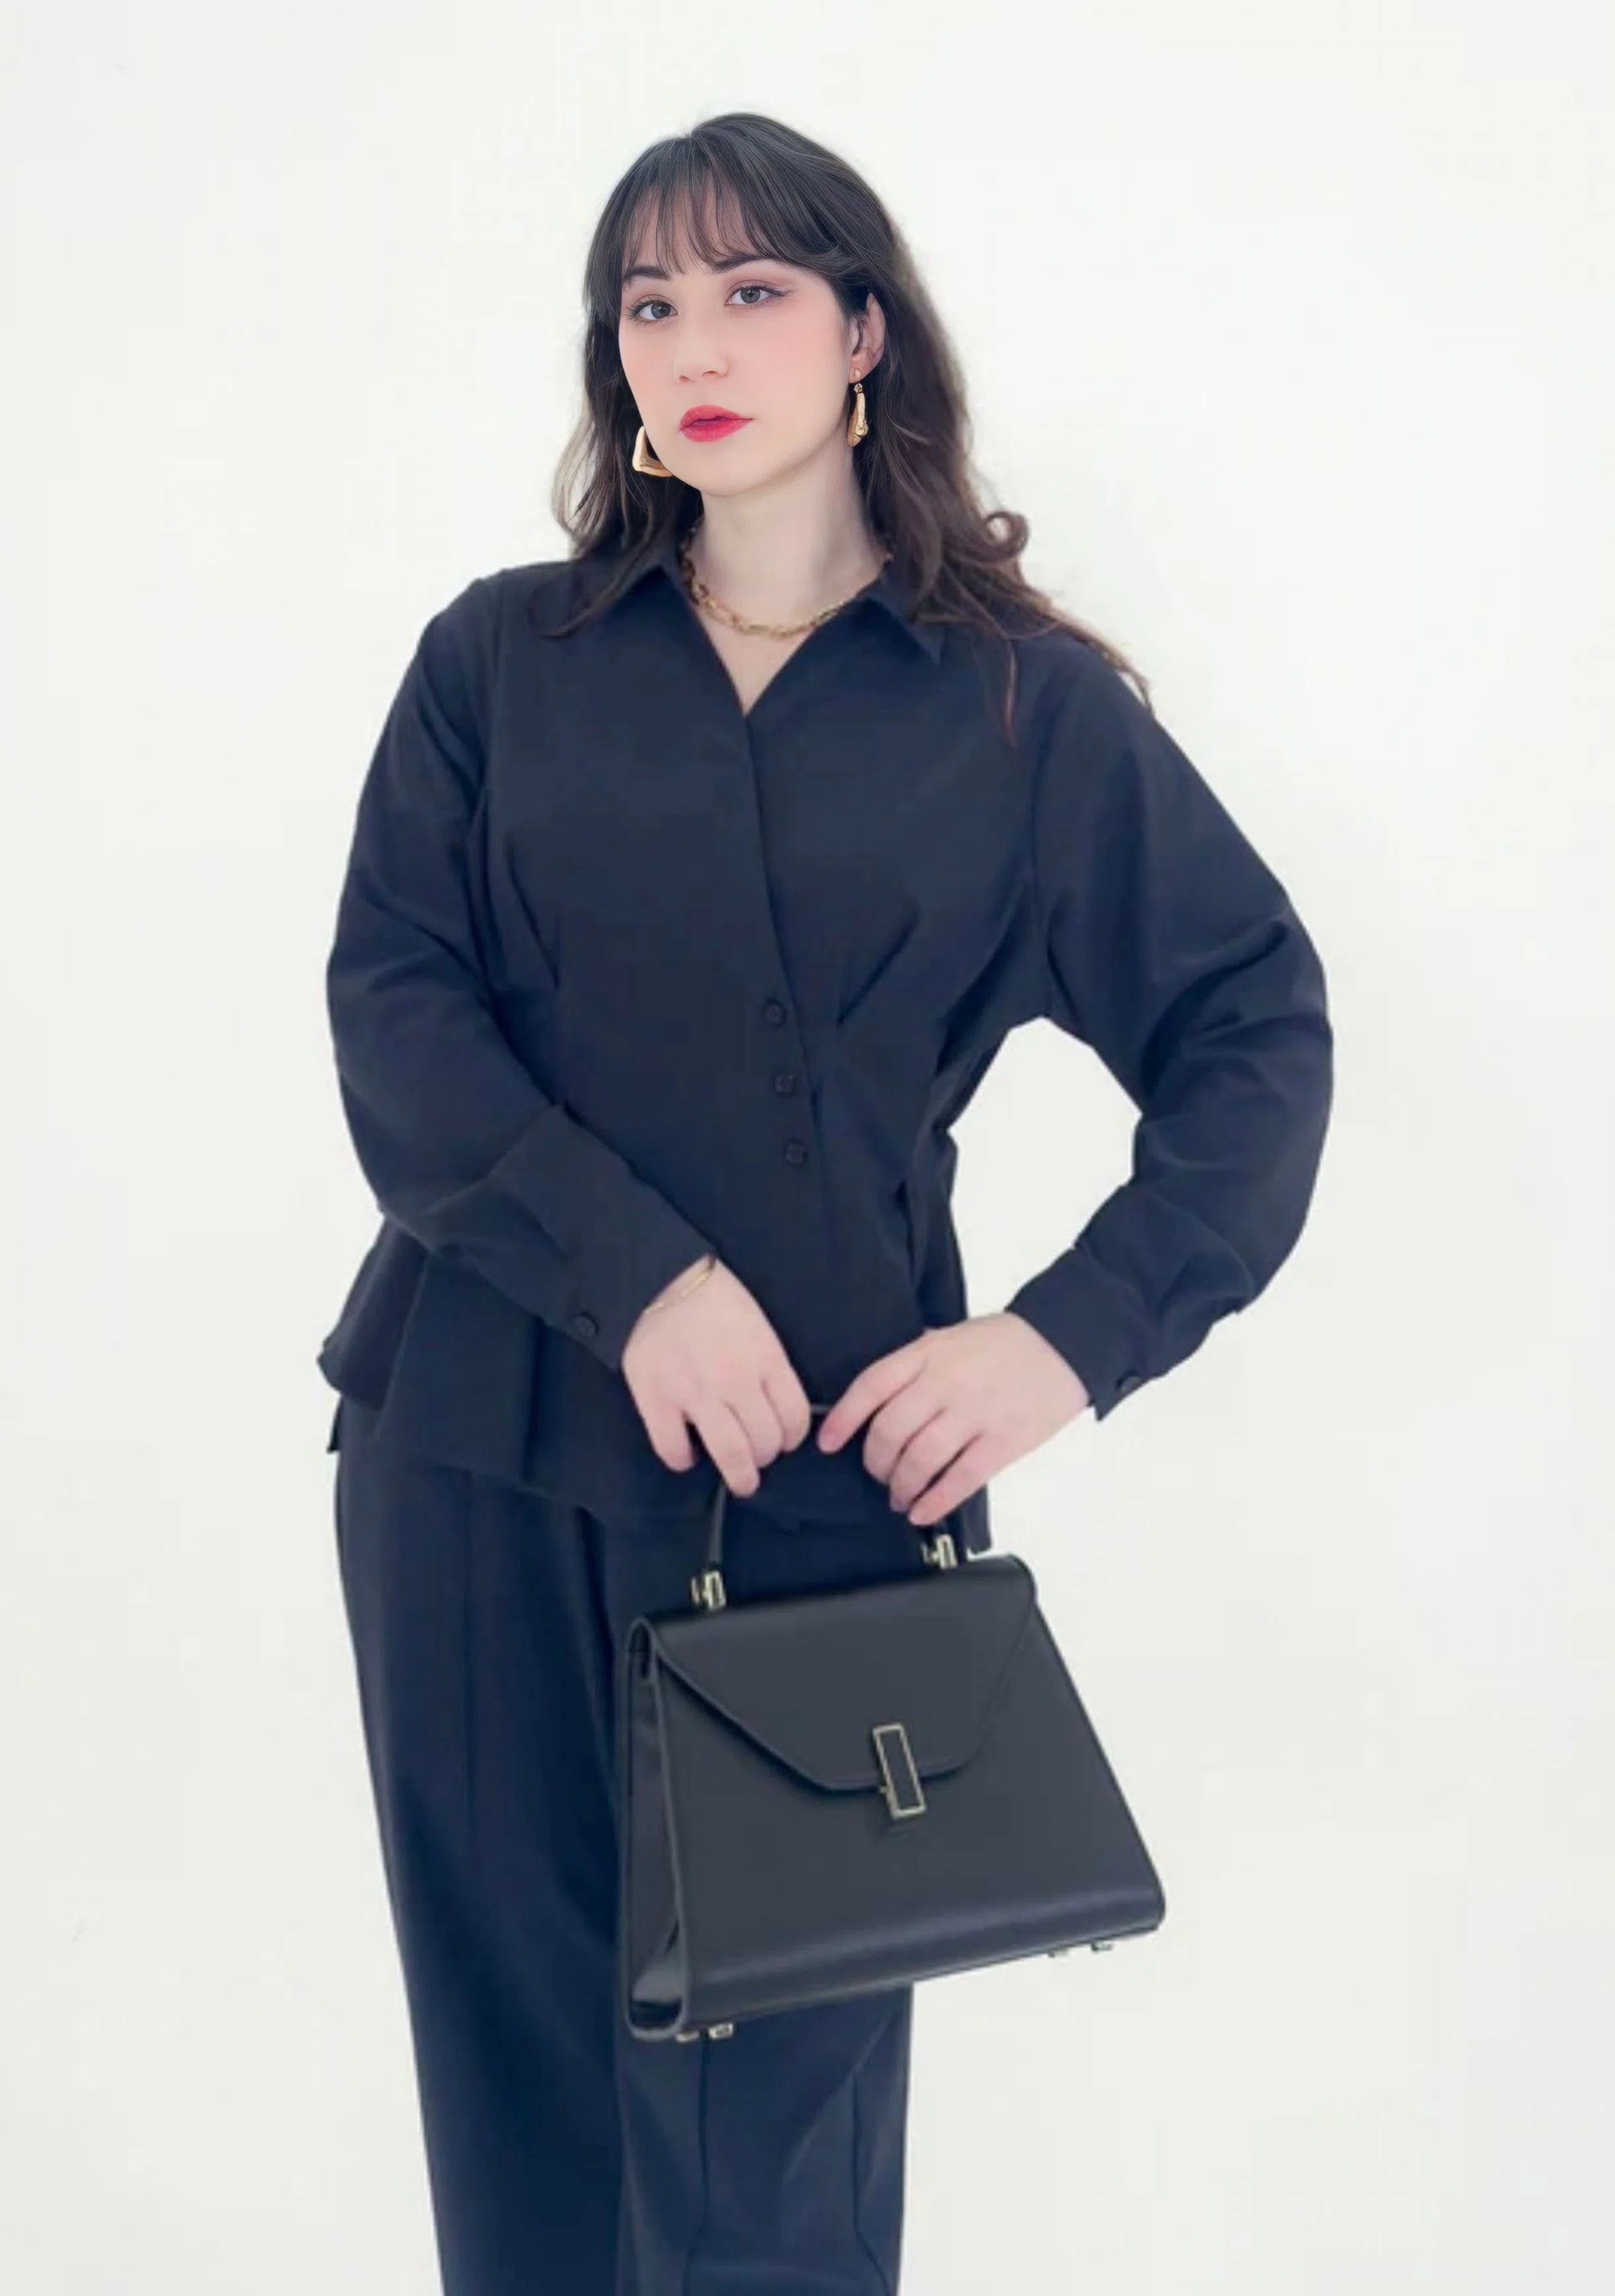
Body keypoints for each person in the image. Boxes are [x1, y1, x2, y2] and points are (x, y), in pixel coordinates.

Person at [320, 110, 1333, 2296]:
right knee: (522, 2114)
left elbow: (1254, 1029)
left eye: (753, 292)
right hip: (475, 1459)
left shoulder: (1023, 713)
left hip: (817, 1501)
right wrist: (637, 1280)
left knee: (772, 2161)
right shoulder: (499, 663)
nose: (693, 345)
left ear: (865, 333)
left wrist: (1067, 1338)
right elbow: (396, 1014)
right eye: (648, 303)